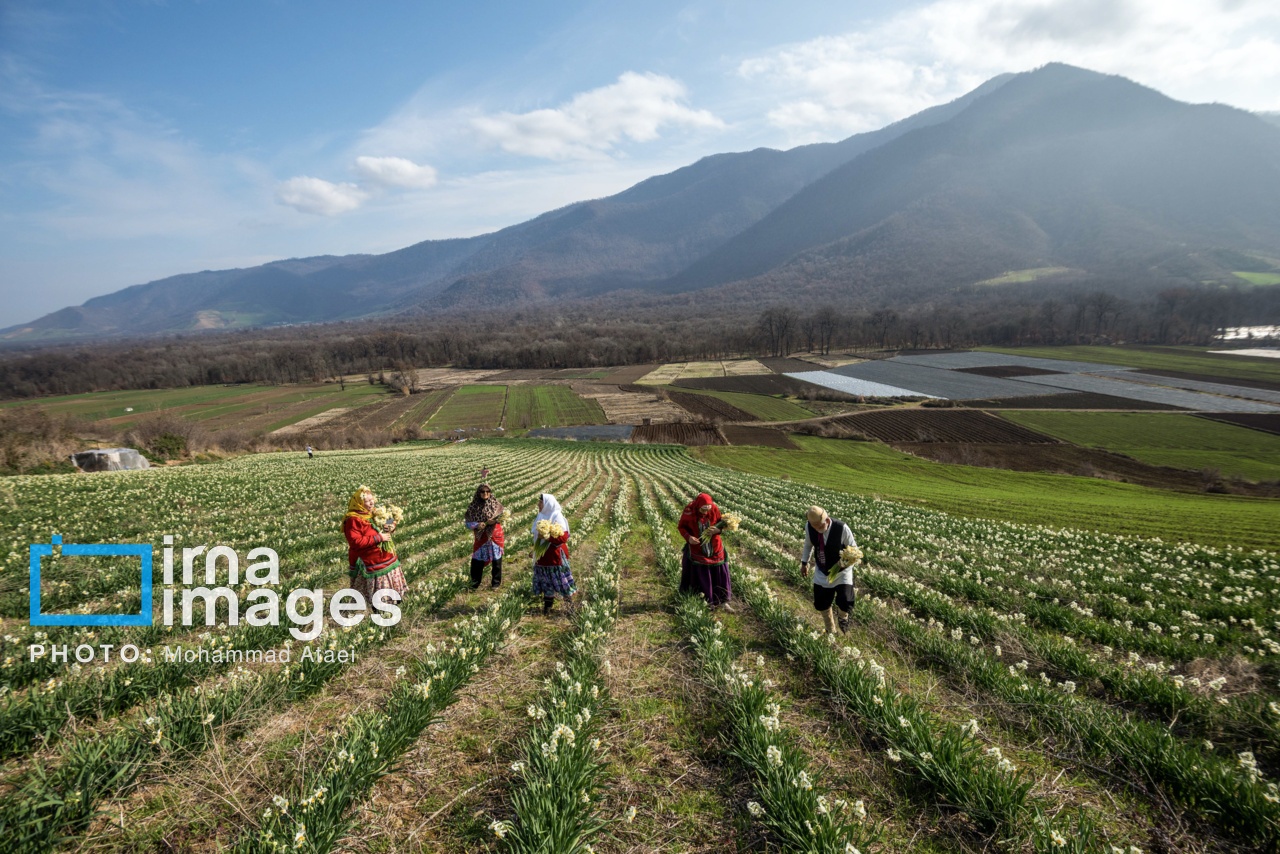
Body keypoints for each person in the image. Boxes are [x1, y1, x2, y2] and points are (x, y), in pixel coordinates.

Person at [342, 485, 408, 604]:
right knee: (369, 600)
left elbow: (386, 520)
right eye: (367, 501)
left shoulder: (373, 512)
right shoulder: (353, 520)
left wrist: (391, 525)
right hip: (370, 561)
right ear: (358, 503)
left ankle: (391, 601)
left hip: (385, 557)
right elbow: (355, 542)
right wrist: (378, 538)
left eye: (372, 499)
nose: (371, 502)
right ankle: (374, 606)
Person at [800, 505, 857, 634]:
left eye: (821, 525)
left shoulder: (841, 528)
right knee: (821, 602)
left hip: (842, 570)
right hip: (822, 569)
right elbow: (808, 545)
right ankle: (830, 629)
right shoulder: (809, 527)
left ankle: (843, 617)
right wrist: (804, 563)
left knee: (845, 600)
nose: (819, 528)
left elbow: (853, 548)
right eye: (816, 526)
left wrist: (844, 562)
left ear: (826, 519)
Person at [677, 492, 733, 611]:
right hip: (697, 547)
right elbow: (681, 527)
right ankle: (705, 601)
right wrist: (689, 538)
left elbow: (721, 525)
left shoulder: (714, 509)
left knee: (719, 573)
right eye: (703, 509)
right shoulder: (689, 511)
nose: (706, 512)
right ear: (698, 506)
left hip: (715, 547)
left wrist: (717, 530)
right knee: (701, 573)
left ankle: (722, 601)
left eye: (708, 509)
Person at [531, 493, 574, 615]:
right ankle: (547, 608)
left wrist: (547, 537)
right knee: (546, 583)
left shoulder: (557, 516)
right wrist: (534, 550)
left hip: (555, 556)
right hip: (542, 556)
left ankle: (570, 607)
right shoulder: (540, 516)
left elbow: (563, 538)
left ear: (548, 504)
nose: (538, 505)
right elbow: (536, 536)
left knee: (561, 581)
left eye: (540, 502)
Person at [464, 483, 505, 589]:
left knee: (497, 560)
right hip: (481, 536)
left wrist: (495, 521)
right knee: (477, 560)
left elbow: (502, 517)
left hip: (495, 535)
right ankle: (474, 583)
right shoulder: (473, 506)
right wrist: (477, 525)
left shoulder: (496, 505)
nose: (485, 494)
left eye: (487, 491)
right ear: (478, 493)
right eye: (482, 491)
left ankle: (496, 583)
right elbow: (467, 523)